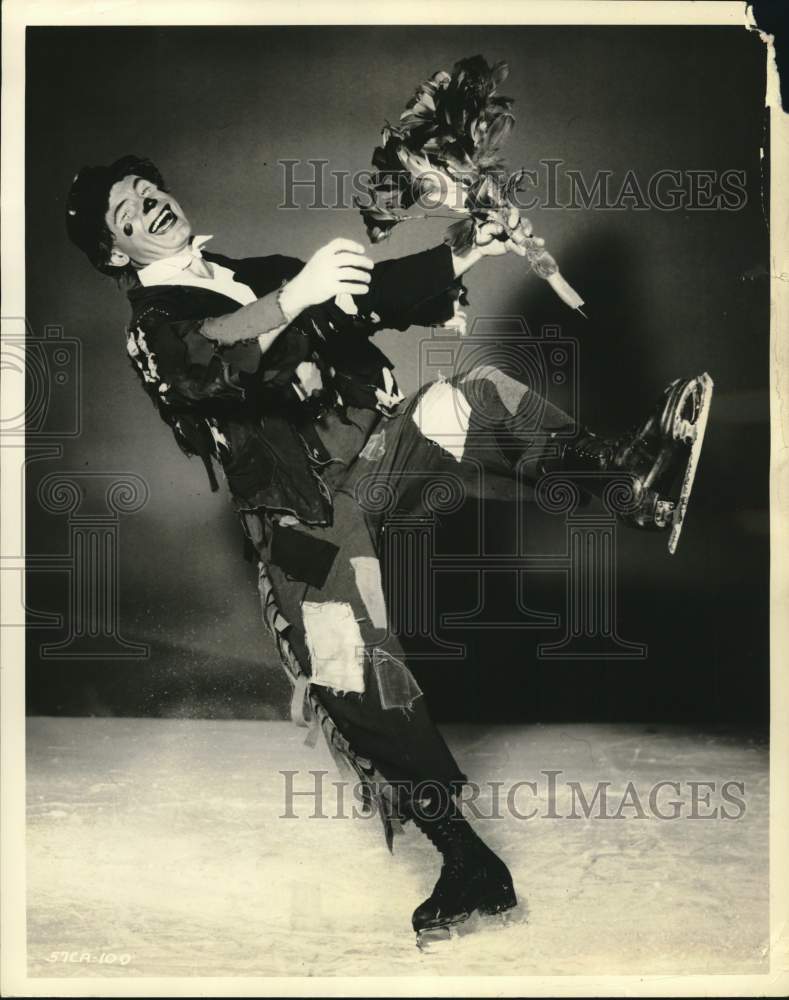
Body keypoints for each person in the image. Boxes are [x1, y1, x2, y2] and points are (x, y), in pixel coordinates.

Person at [65, 154, 711, 946]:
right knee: (353, 674)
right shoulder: (151, 328)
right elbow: (204, 369)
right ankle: (468, 864)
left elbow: (369, 297)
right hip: (300, 520)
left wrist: (468, 245)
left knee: (467, 397)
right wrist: (290, 299)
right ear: (114, 250)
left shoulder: (250, 269)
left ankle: (629, 485)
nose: (147, 202)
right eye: (124, 209)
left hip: (372, 459)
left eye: (147, 188)